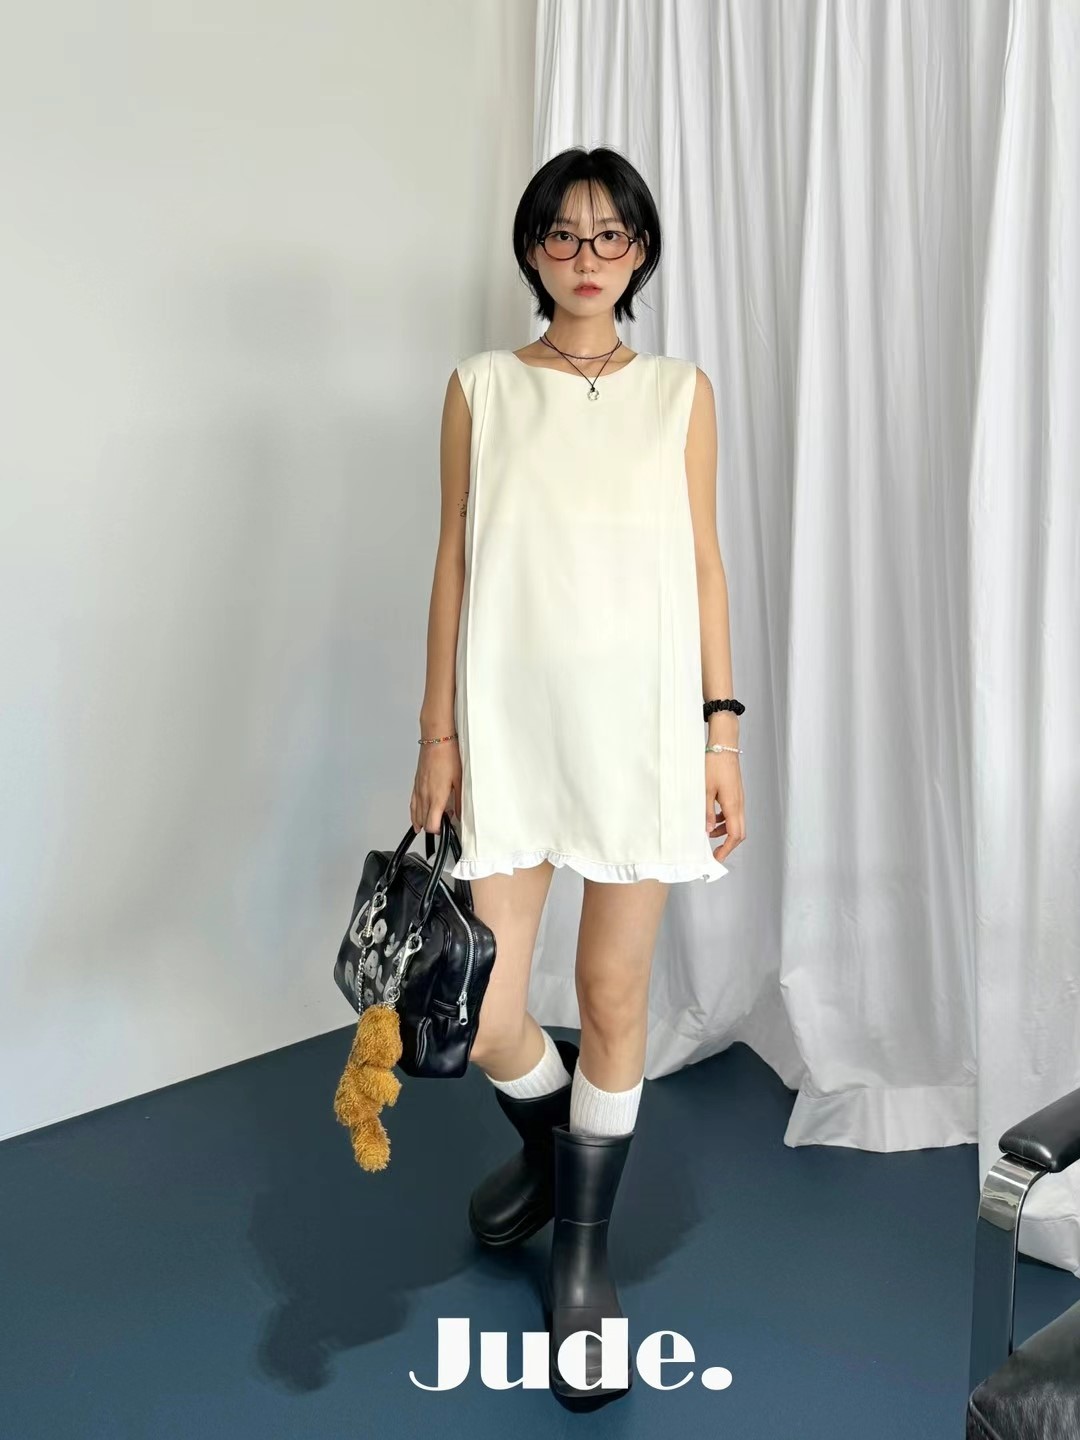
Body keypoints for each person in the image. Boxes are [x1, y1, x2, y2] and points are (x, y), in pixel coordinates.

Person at [411, 145, 746, 1409]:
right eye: (563, 234)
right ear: (532, 249)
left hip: (643, 731)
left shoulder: (680, 393)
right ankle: (565, 1154)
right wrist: (437, 737)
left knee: (612, 994)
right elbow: (452, 560)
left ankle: (584, 1249)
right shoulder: (481, 389)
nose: (587, 256)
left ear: (640, 251)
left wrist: (721, 735)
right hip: (508, 726)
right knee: (486, 1009)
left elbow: (704, 564)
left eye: (611, 235)